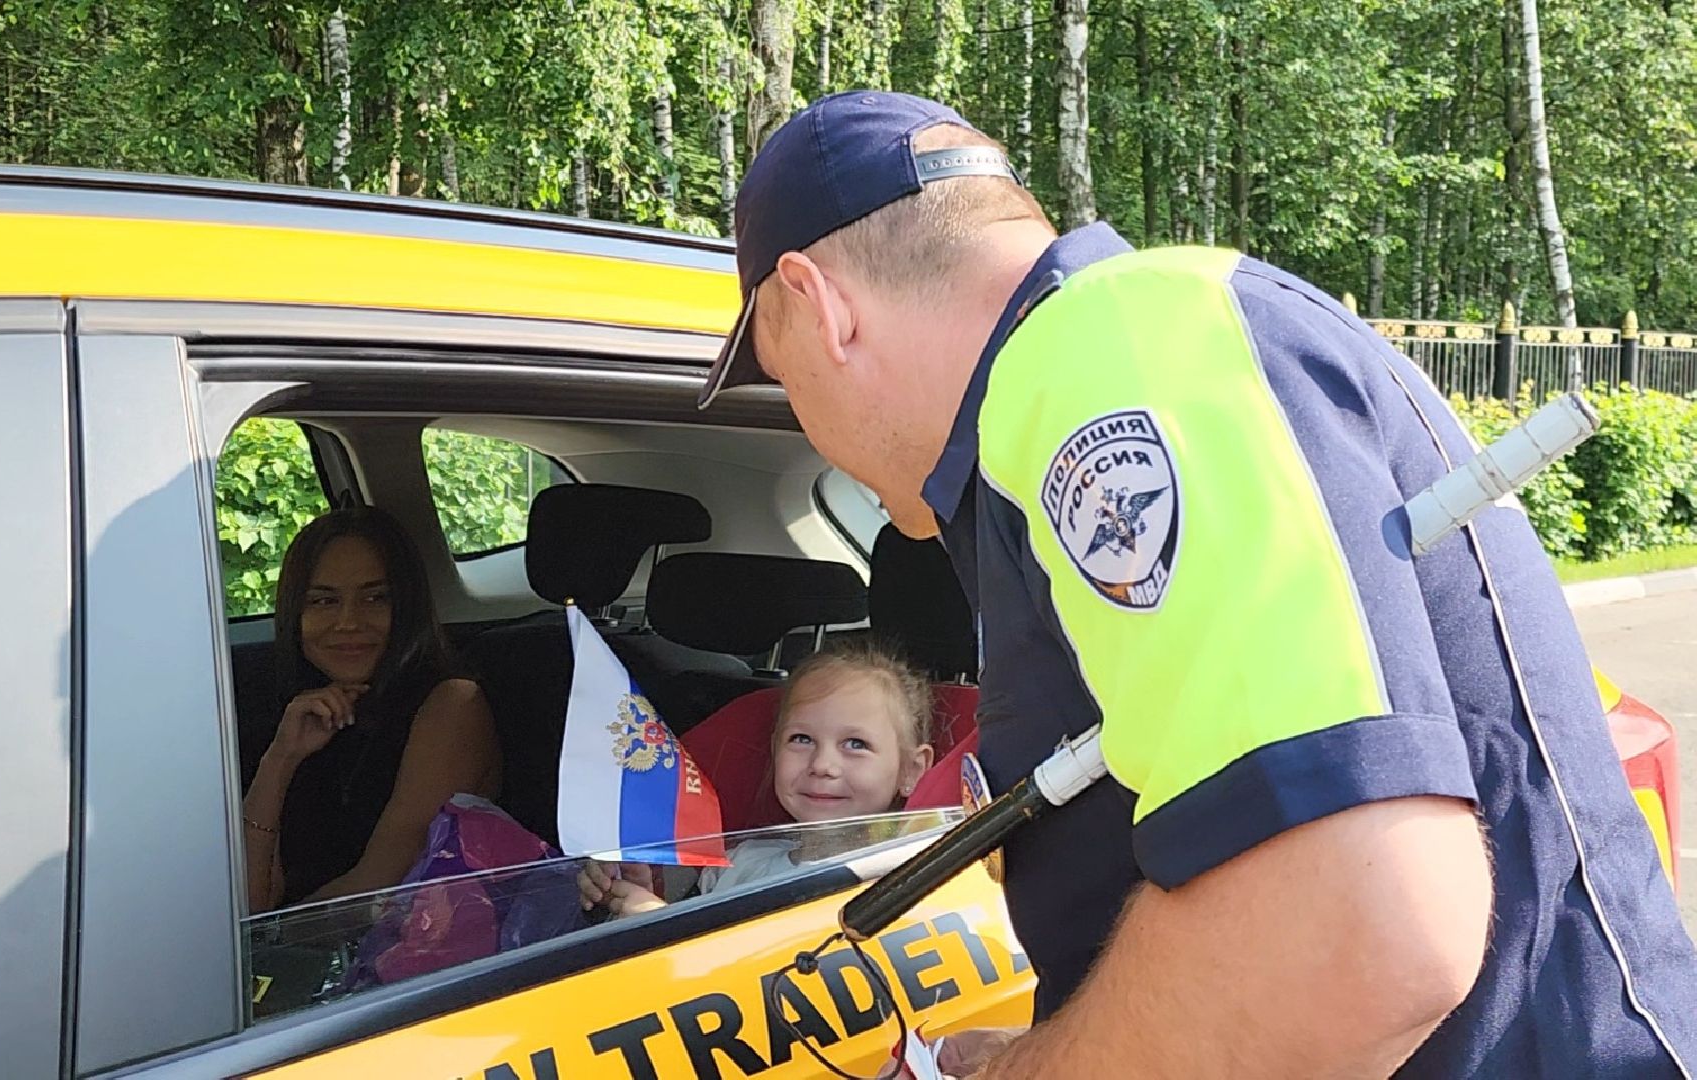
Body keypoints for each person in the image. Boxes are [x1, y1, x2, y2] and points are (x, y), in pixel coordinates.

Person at [699, 90, 1697, 1077]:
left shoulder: (1105, 353)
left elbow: (1358, 932)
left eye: (783, 379)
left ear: (818, 305)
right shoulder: (1112, 365)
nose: (803, 419)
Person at [241, 506, 502, 913]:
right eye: (324, 600)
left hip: (395, 961)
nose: (348, 621)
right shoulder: (301, 711)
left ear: (407, 608)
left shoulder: (451, 705)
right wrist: (280, 759)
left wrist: (265, 949)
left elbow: (380, 888)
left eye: (375, 598)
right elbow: (250, 901)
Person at [578, 645, 935, 917]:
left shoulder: (900, 884)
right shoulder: (739, 863)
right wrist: (636, 900)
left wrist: (656, 923)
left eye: (856, 744)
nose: (823, 765)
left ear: (911, 770)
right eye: (801, 739)